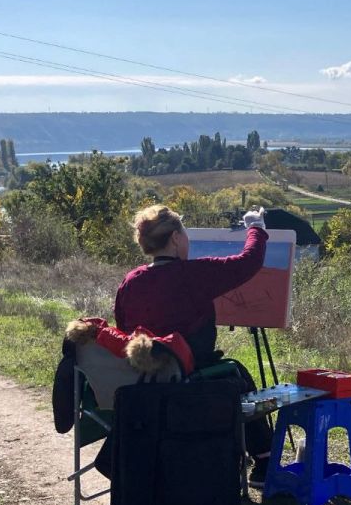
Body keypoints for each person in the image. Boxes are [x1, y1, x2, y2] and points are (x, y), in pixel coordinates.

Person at [114, 204, 274, 487]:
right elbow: (248, 262)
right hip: (190, 376)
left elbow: (124, 329)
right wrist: (256, 227)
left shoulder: (130, 281)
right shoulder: (193, 275)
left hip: (141, 384)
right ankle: (264, 461)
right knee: (238, 375)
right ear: (175, 238)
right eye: (185, 234)